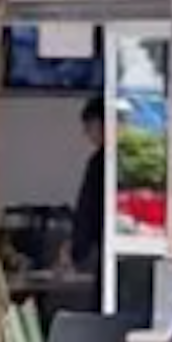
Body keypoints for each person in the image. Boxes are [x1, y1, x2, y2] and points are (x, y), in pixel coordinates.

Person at [68, 96, 109, 273]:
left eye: (89, 127)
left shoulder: (100, 162)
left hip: (106, 248)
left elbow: (87, 209)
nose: (87, 134)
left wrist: (77, 249)